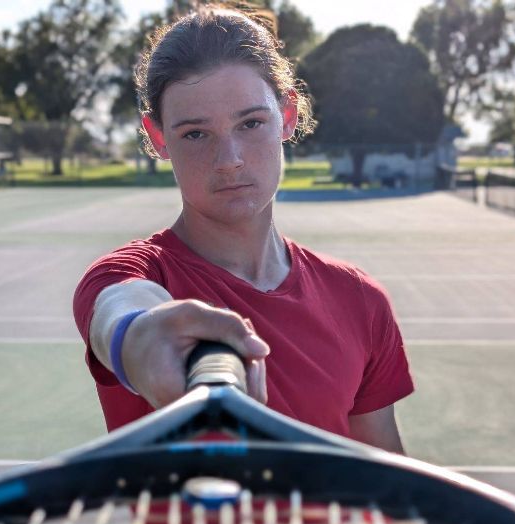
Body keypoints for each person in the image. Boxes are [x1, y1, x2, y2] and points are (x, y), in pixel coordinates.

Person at [73, 6, 414, 452]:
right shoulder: (130, 274)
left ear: (287, 116)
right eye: (196, 134)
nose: (229, 158)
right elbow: (120, 307)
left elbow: (386, 484)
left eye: (250, 123)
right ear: (158, 138)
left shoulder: (361, 301)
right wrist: (138, 337)